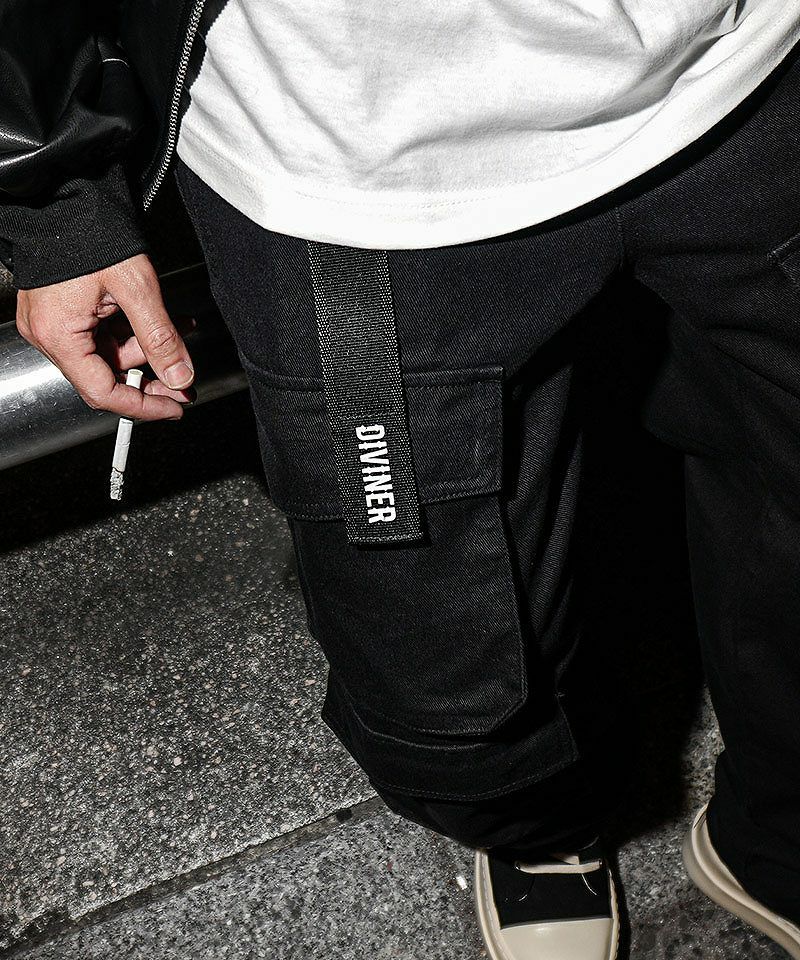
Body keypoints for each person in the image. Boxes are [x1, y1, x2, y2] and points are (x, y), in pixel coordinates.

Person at [3, 3, 800, 957]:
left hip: (752, 65)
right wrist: (51, 187)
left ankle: (781, 838)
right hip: (350, 162)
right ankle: (537, 831)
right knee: (443, 662)